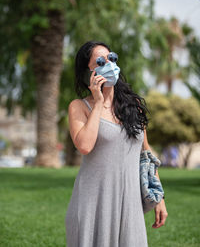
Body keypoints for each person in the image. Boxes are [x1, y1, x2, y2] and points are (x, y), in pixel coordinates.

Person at [65, 41, 168, 247]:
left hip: (129, 202)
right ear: (89, 70)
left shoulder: (133, 106)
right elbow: (84, 146)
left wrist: (159, 198)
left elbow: (145, 153)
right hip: (93, 203)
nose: (109, 64)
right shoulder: (79, 107)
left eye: (112, 58)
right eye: (100, 61)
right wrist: (98, 101)